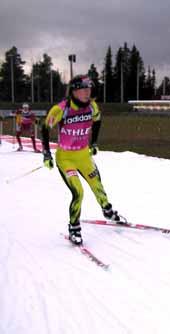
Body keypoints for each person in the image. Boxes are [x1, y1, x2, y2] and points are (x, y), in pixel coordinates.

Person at [41, 74, 122, 245]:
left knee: (97, 185)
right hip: (66, 158)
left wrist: (94, 143)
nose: (87, 93)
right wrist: (46, 154)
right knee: (78, 192)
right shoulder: (61, 109)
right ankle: (74, 227)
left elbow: (98, 121)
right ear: (74, 91)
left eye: (89, 89)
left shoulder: (92, 107)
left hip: (84, 155)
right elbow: (45, 128)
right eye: (83, 89)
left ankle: (107, 210)